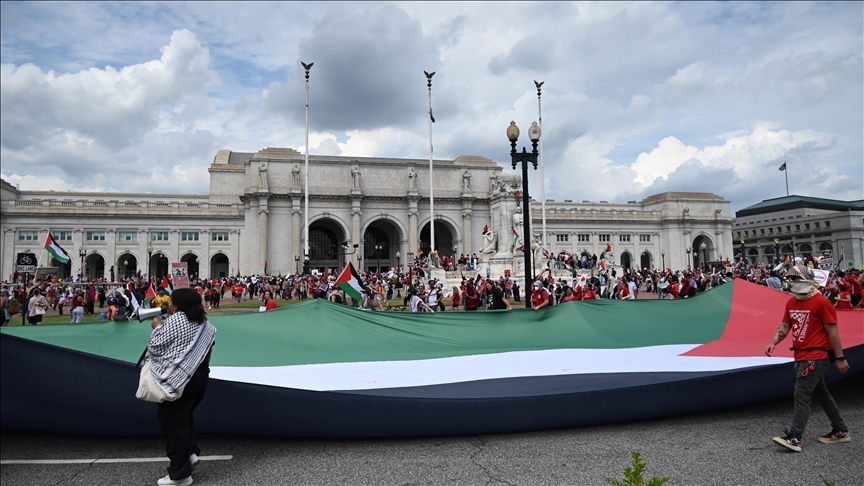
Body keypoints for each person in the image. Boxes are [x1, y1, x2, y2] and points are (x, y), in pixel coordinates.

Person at [765, 265, 850, 452]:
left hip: (815, 357)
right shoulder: (792, 302)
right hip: (801, 355)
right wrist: (773, 342)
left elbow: (833, 332)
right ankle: (841, 430)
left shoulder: (822, 303)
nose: (791, 282)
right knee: (822, 395)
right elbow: (785, 325)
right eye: (790, 279)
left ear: (805, 279)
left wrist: (840, 357)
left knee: (801, 394)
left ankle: (795, 437)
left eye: (795, 279)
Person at [148, 287, 217, 486]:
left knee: (173, 424)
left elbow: (155, 346)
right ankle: (190, 454)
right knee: (183, 419)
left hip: (179, 381)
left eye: (170, 302)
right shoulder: (205, 324)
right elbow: (208, 350)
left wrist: (157, 327)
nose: (168, 305)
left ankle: (180, 475)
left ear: (176, 307)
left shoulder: (176, 321)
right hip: (199, 377)